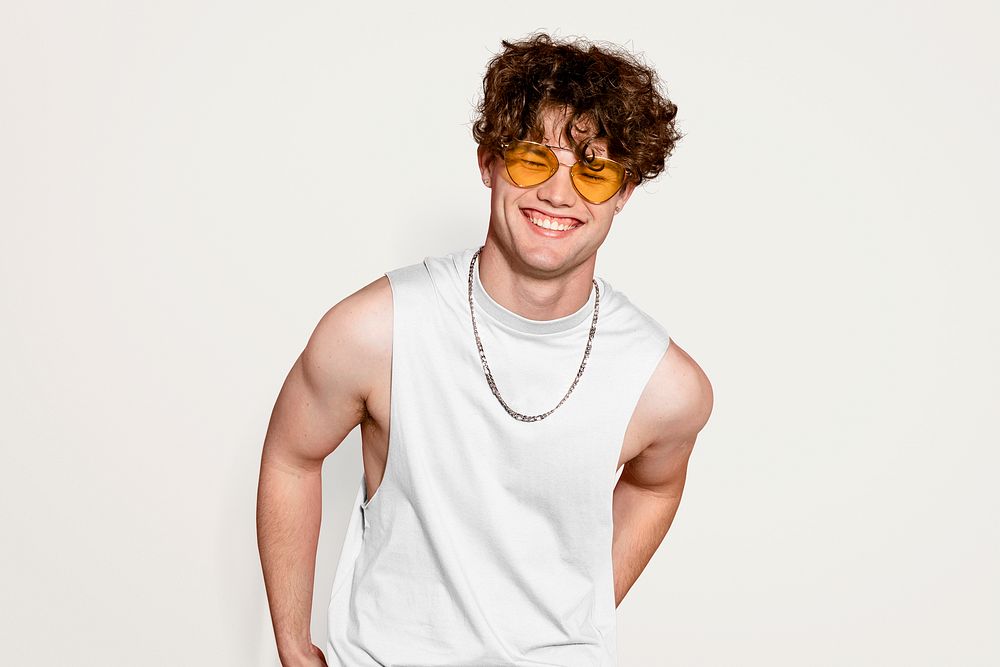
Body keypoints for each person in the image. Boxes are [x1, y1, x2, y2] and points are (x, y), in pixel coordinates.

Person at [257, 32, 714, 667]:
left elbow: (655, 488)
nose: (559, 193)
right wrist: (291, 644)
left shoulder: (663, 385)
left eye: (594, 169)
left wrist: (573, 614)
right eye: (533, 159)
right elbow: (291, 458)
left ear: (624, 192)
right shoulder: (376, 331)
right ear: (488, 163)